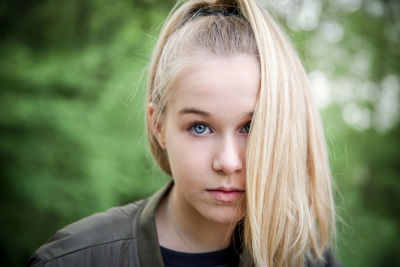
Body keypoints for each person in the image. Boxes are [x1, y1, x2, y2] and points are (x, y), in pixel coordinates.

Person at [28, 0, 342, 266]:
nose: (228, 162)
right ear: (158, 126)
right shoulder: (73, 259)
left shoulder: (308, 258)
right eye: (200, 127)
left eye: (251, 127)